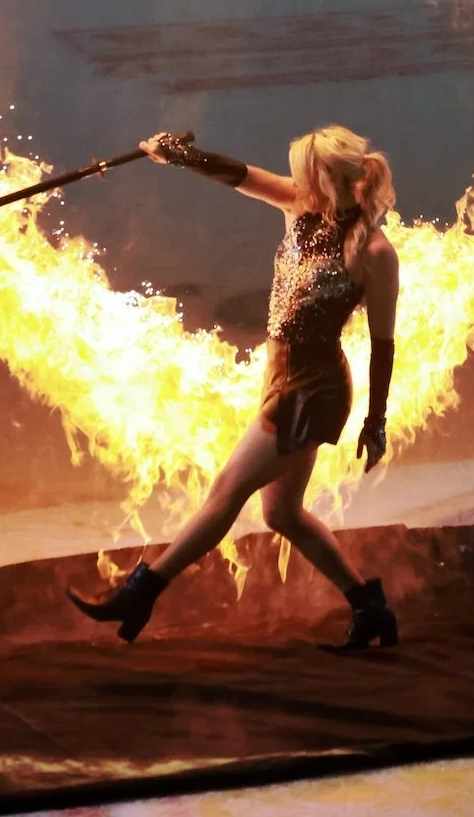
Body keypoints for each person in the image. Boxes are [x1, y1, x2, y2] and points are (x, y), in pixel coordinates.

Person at [67, 125, 400, 652]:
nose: (294, 177)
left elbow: (383, 344)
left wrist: (375, 422)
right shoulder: (300, 207)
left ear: (326, 175)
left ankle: (140, 593)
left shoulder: (376, 252)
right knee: (281, 514)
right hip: (280, 377)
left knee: (225, 492)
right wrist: (178, 155)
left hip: (312, 390)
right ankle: (369, 606)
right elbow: (240, 176)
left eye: (304, 169)